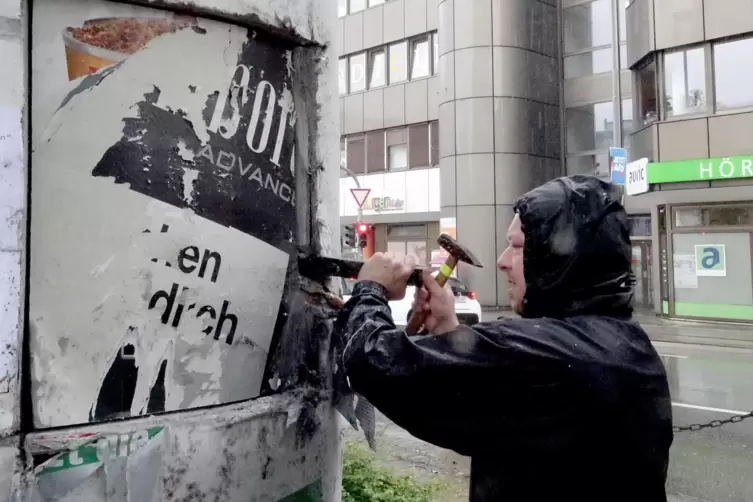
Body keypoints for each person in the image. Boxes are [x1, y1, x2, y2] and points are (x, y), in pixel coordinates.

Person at [341, 175, 673, 501]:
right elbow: (488, 405)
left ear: (559, 258)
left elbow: (375, 363)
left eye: (516, 247)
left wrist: (371, 289)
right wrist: (450, 332)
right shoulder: (623, 343)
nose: (501, 262)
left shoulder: (548, 354)